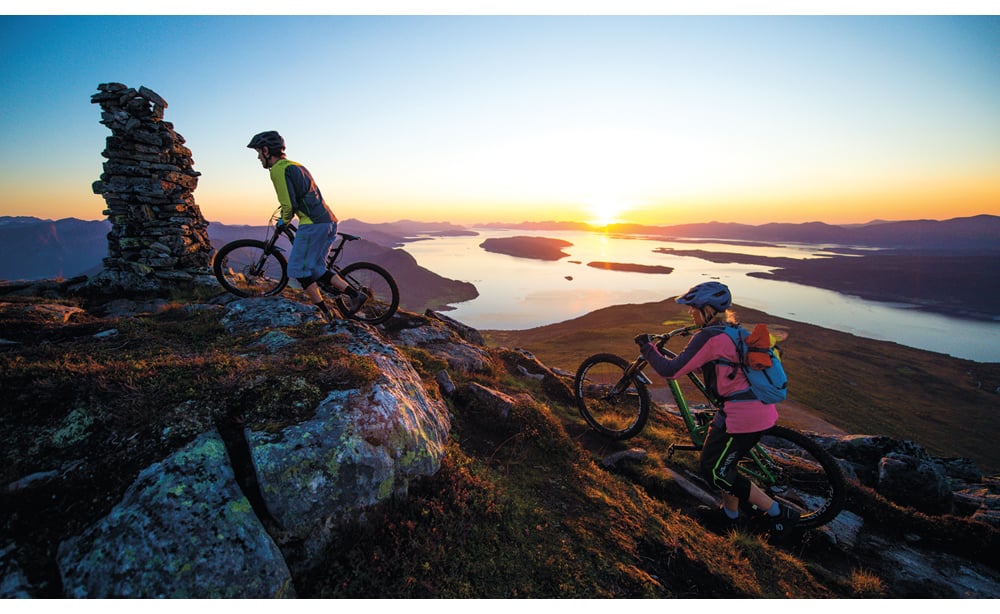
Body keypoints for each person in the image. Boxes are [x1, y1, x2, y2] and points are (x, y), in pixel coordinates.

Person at [633, 281, 800, 542]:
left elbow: (669, 370)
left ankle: (779, 513)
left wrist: (647, 348)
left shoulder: (709, 337)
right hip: (750, 410)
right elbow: (726, 366)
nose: (691, 313)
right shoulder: (734, 331)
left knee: (714, 471)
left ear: (708, 310)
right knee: (725, 464)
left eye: (694, 308)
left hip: (743, 418)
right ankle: (729, 516)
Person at [246, 131, 368, 322]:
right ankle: (355, 295)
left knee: (296, 269)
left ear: (267, 150)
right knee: (316, 268)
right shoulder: (297, 165)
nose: (258, 157)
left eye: (259, 152)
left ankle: (325, 312)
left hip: (313, 224)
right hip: (329, 221)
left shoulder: (278, 169)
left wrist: (284, 221)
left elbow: (289, 204)